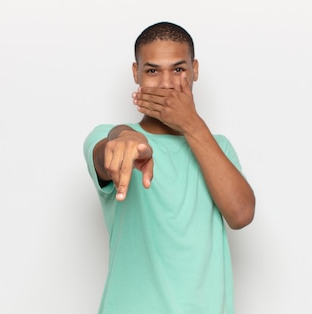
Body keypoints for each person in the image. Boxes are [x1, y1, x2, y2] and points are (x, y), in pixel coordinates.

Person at [83, 21, 255, 313]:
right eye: (152, 71)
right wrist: (123, 138)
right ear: (136, 73)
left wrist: (191, 124)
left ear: (195, 70)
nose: (166, 83)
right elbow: (107, 151)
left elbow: (241, 214)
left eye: (178, 69)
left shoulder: (219, 147)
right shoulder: (112, 137)